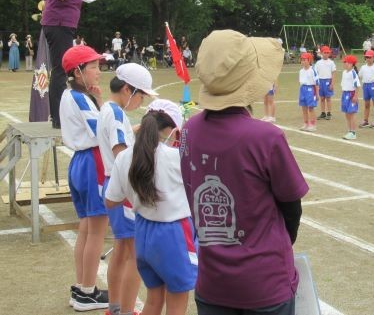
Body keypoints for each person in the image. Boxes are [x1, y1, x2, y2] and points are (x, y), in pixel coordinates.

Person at [180, 29, 308, 315]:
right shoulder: (266, 137)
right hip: (265, 283)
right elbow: (291, 206)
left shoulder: (189, 130)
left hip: (212, 282)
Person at [105, 99, 198, 315]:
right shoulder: (176, 158)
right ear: (172, 131)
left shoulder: (125, 157)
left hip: (143, 231)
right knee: (177, 301)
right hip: (174, 233)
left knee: (154, 299)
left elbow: (111, 201)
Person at [97, 63, 158, 315]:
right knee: (135, 255)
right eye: (141, 95)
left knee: (122, 250)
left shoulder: (109, 109)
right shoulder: (117, 114)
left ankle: (115, 307)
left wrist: (135, 131)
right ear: (127, 90)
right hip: (123, 190)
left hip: (113, 185)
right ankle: (126, 309)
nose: (141, 101)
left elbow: (119, 139)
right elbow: (121, 153)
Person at [59, 45, 109, 311]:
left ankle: (82, 287)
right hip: (92, 162)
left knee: (87, 229)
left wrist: (97, 98)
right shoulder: (79, 99)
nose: (98, 72)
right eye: (93, 67)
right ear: (78, 72)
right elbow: (104, 130)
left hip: (80, 162)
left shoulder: (69, 95)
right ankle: (88, 292)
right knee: (97, 230)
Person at [41, 0, 97, 128]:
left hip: (62, 22)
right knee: (61, 70)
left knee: (62, 69)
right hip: (59, 22)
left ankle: (60, 116)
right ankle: (58, 119)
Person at [358, 49, 374, 128]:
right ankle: (366, 121)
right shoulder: (363, 67)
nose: (368, 59)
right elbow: (359, 76)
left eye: (370, 57)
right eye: (367, 57)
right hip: (365, 86)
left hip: (373, 86)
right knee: (366, 104)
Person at [298, 52, 319, 131]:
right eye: (302, 60)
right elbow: (301, 82)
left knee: (310, 108)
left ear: (309, 60)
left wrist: (317, 94)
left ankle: (312, 125)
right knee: (304, 107)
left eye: (305, 60)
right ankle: (306, 123)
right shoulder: (301, 71)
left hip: (311, 89)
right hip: (303, 89)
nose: (303, 61)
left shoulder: (312, 70)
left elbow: (317, 83)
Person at [315, 45, 337, 120]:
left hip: (328, 81)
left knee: (328, 98)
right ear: (321, 53)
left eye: (328, 53)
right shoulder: (318, 63)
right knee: (322, 98)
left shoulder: (331, 62)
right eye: (325, 52)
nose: (326, 54)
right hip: (320, 81)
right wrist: (317, 84)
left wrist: (332, 83)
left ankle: (329, 113)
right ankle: (323, 113)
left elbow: (333, 73)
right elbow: (316, 74)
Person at [341, 54, 360, 140]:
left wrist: (355, 96)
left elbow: (357, 86)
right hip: (345, 94)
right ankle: (349, 130)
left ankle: (353, 132)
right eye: (345, 62)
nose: (345, 64)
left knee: (351, 114)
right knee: (347, 114)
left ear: (352, 64)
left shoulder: (353, 73)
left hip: (351, 94)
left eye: (348, 63)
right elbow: (343, 85)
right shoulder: (344, 72)